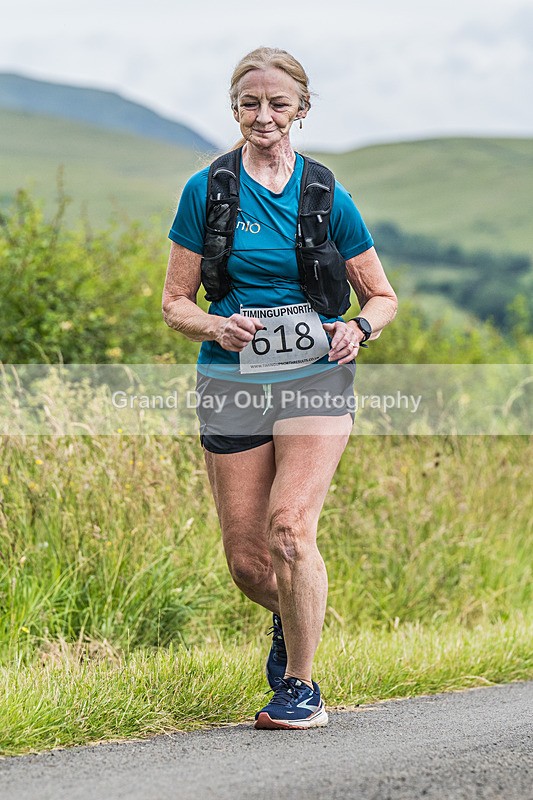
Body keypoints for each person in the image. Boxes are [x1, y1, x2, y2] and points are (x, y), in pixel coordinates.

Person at [162, 47, 397, 729]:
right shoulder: (206, 190)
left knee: (290, 530)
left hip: (316, 372)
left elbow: (381, 296)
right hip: (232, 378)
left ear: (299, 110)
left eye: (277, 104)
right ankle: (297, 618)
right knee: (247, 563)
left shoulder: (325, 193)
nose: (262, 116)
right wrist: (215, 324)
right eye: (249, 103)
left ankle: (301, 685)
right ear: (235, 108)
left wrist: (359, 330)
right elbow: (175, 304)